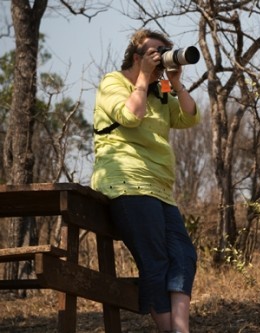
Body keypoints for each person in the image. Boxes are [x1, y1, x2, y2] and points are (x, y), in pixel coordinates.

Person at [91, 29, 200, 333]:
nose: (159, 56)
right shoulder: (114, 82)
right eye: (153, 52)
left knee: (184, 255)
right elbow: (130, 116)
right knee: (155, 260)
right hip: (126, 181)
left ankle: (181, 329)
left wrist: (174, 83)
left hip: (160, 189)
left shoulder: (161, 87)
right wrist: (144, 76)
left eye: (164, 50)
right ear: (136, 57)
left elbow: (189, 117)